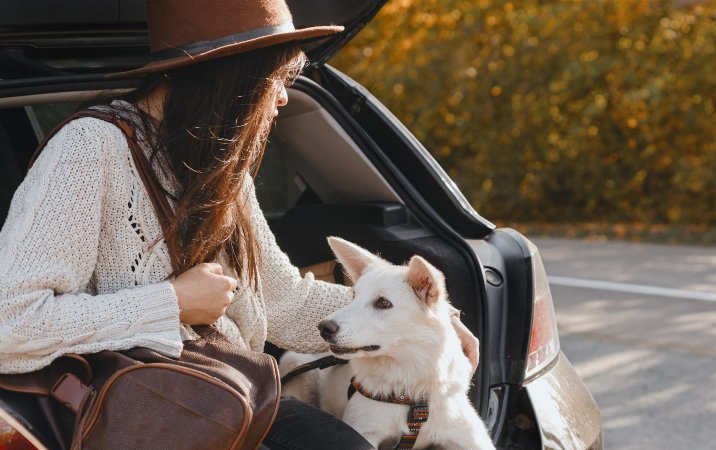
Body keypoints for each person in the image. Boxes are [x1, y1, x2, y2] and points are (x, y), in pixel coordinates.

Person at [0, 1, 479, 448]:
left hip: (228, 391)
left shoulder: (220, 169)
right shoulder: (90, 150)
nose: (283, 100)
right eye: (276, 81)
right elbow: (10, 324)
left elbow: (287, 302)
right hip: (134, 406)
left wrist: (436, 319)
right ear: (233, 79)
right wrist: (172, 303)